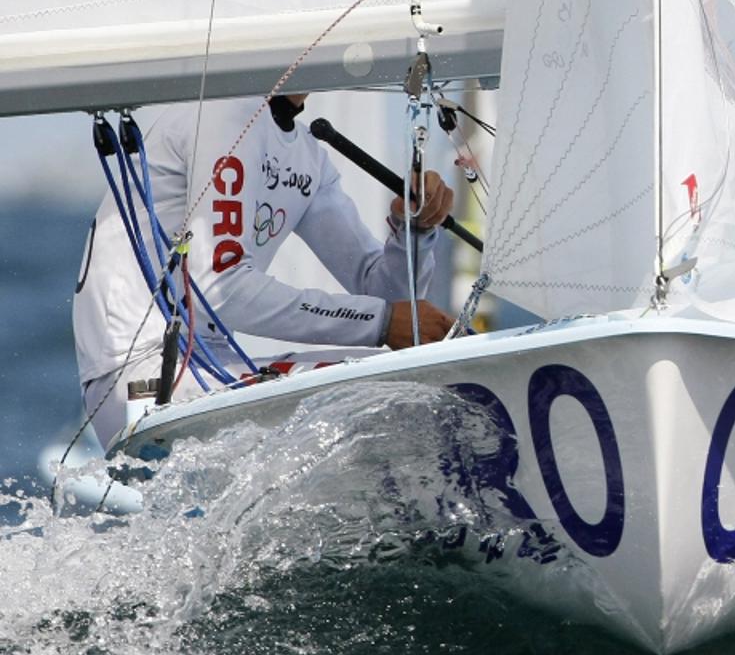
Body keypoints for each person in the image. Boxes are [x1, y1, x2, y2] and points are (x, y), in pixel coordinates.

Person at [72, 91, 457, 450]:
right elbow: (221, 288)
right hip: (142, 374)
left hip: (211, 365)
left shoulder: (307, 155)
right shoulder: (228, 114)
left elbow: (388, 299)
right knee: (402, 394)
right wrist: (382, 322)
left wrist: (415, 231)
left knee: (411, 386)